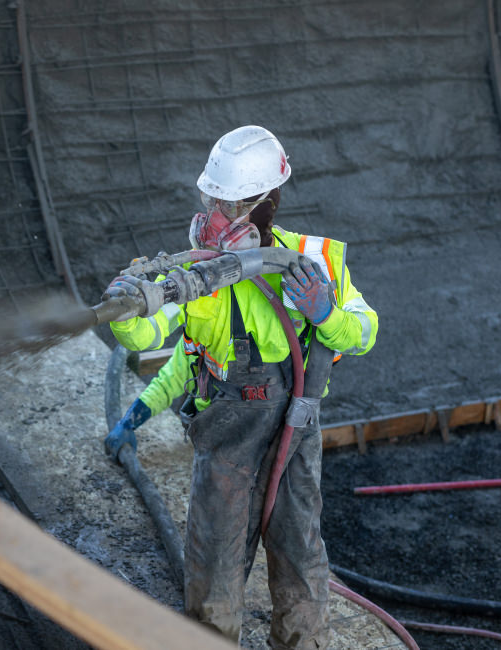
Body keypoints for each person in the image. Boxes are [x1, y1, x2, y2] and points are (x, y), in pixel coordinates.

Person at [101, 125, 378, 649]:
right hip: (226, 444)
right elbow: (165, 346)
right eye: (213, 202)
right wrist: (126, 309)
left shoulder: (311, 262)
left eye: (233, 207)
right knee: (212, 575)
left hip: (293, 437)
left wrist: (328, 314)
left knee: (300, 566)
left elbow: (366, 330)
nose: (216, 219)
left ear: (268, 205)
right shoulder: (197, 275)